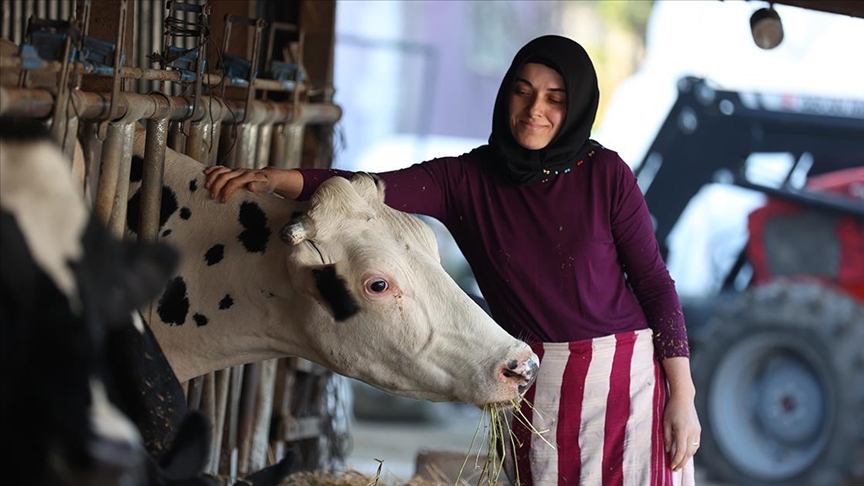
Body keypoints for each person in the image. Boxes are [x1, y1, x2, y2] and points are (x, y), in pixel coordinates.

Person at [205, 35, 701, 485]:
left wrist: (683, 396)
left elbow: (655, 284)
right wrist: (276, 179)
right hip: (531, 383)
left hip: (628, 384)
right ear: (506, 95)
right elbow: (367, 188)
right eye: (523, 91)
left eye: (555, 98)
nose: (535, 110)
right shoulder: (466, 180)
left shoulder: (607, 174)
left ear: (576, 107)